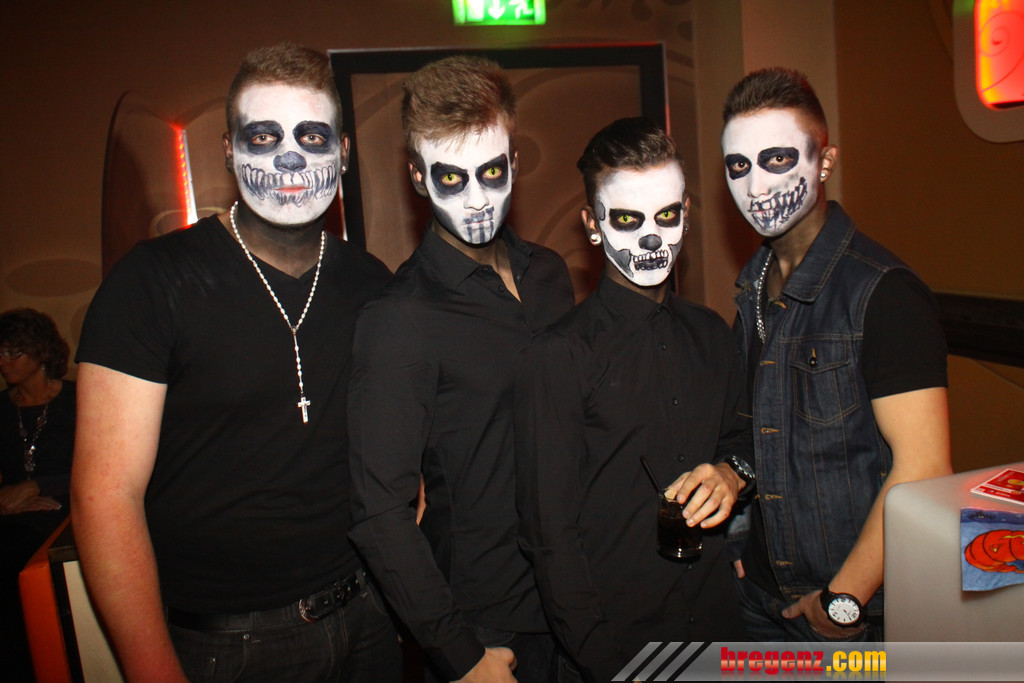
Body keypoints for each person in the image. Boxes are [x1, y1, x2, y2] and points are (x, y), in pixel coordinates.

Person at [71, 43, 400, 681]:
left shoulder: (371, 282)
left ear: (343, 152)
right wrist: (152, 670)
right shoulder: (153, 281)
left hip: (368, 614)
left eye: (312, 137)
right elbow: (104, 498)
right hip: (228, 645)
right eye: (263, 137)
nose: (289, 158)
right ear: (228, 150)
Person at [347, 55, 574, 683]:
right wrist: (460, 656)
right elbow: (379, 511)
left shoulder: (550, 275)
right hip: (488, 627)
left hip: (579, 603)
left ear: (515, 162)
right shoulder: (400, 317)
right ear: (418, 178)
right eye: (451, 178)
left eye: (492, 171)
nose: (476, 198)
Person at [514, 117, 751, 682]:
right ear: (592, 225)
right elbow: (548, 537)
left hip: (720, 635)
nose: (650, 237)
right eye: (627, 219)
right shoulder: (558, 356)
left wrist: (731, 474)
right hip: (617, 651)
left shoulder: (712, 333)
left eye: (666, 216)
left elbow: (744, 441)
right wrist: (605, 661)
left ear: (686, 214)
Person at [721, 67, 951, 641]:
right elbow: (760, 434)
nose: (756, 186)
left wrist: (846, 596)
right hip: (761, 598)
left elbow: (925, 468)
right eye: (738, 166)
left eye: (777, 159)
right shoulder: (753, 286)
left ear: (824, 162)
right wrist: (741, 533)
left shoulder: (884, 292)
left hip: (847, 612)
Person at [0, 308, 75, 681]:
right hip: (11, 515)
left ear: (41, 352)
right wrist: (6, 498)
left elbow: (100, 471)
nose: (4, 361)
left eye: (14, 352)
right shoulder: (2, 407)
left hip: (65, 512)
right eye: (0, 352)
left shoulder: (76, 399)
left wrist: (36, 486)